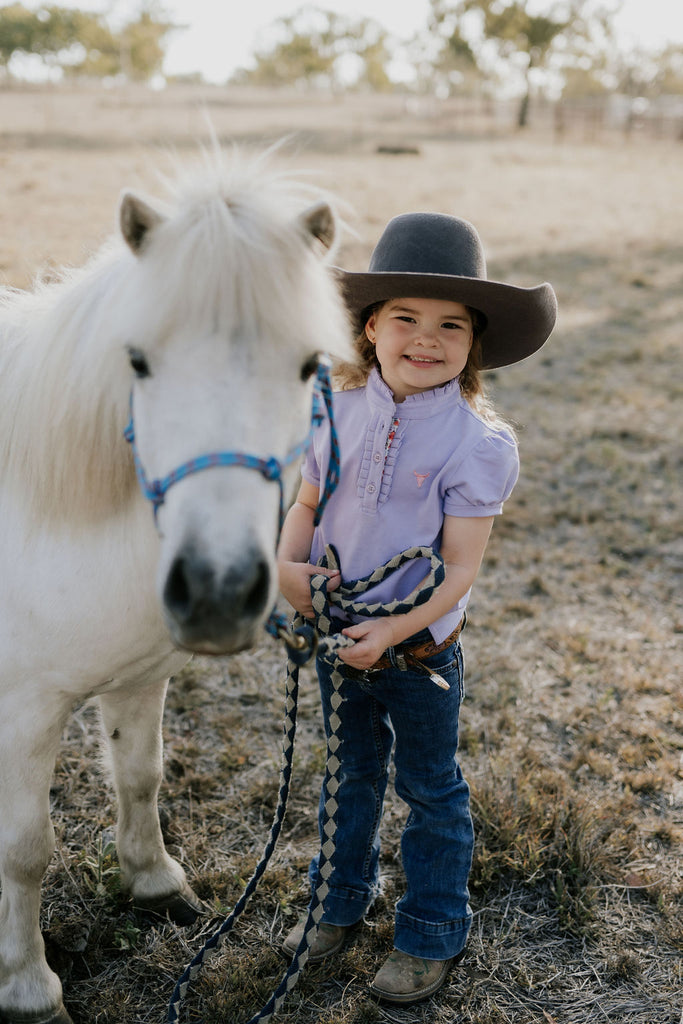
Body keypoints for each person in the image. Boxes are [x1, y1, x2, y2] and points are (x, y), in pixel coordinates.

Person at [277, 212, 557, 1005]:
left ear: (475, 346)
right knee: (349, 775)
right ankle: (338, 902)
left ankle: (430, 927)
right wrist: (287, 565)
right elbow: (304, 507)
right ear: (369, 328)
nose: (424, 339)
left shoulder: (477, 444)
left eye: (449, 325)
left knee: (430, 787)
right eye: (404, 317)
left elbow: (459, 569)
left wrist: (395, 630)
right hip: (337, 637)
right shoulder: (331, 410)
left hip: (416, 653)